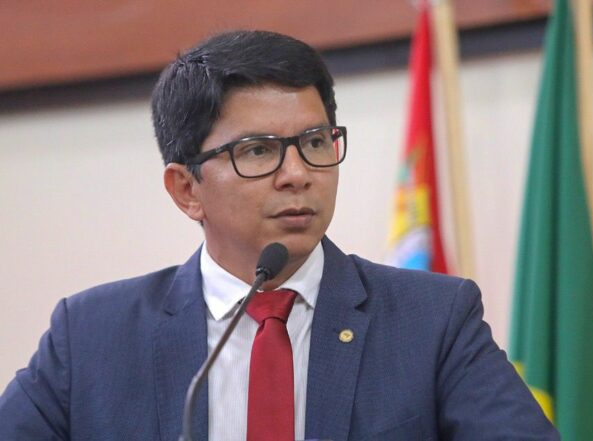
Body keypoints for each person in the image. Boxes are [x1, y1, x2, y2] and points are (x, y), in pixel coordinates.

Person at [0, 30, 558, 440]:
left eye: (315, 142)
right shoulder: (92, 337)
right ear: (186, 189)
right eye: (258, 151)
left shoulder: (433, 321)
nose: (297, 174)